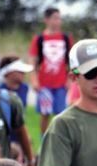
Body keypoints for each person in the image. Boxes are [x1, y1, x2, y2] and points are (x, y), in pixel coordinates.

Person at [29, 7, 74, 136]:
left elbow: (72, 61)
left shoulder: (66, 38)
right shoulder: (39, 39)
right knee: (45, 114)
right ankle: (43, 141)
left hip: (61, 84)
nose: (58, 21)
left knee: (61, 114)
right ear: (47, 20)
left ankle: (59, 138)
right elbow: (32, 61)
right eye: (55, 18)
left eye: (59, 18)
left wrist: (70, 79)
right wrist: (34, 80)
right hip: (44, 84)